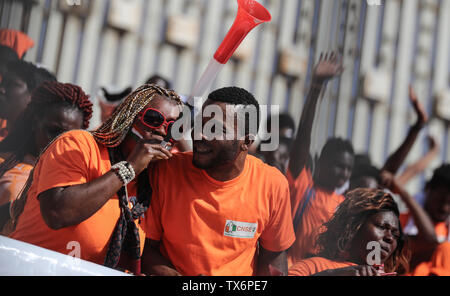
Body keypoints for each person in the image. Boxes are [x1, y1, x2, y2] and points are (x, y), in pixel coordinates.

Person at [5, 84, 183, 274]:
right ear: (129, 116)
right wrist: (129, 168)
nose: (163, 131)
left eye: (173, 127)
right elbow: (58, 213)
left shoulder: (149, 182)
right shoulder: (77, 144)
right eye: (154, 119)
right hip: (27, 268)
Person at [141, 86, 295, 276]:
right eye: (199, 124)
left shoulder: (273, 185)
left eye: (215, 129)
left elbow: (273, 264)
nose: (200, 134)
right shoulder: (166, 170)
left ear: (246, 142)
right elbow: (145, 249)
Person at [286, 52, 351, 264]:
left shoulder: (345, 207)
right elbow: (303, 135)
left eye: (348, 168)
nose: (344, 173)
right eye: (339, 166)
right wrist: (316, 87)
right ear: (321, 162)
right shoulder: (303, 187)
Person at [0, 81, 93, 210]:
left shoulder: (81, 185)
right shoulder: (5, 165)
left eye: (70, 138)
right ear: (35, 122)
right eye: (53, 131)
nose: (59, 143)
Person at [288, 187, 410, 276]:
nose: (389, 238)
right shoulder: (313, 267)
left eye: (395, 235)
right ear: (354, 226)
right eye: (382, 227)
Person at [381, 165, 450, 275]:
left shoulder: (447, 230)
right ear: (428, 189)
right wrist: (404, 195)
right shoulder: (399, 221)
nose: (445, 208)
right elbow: (429, 240)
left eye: (449, 203)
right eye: (441, 200)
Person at [0, 59, 56, 141]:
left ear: (35, 96)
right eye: (2, 83)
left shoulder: (39, 149)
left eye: (11, 84)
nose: (1, 89)